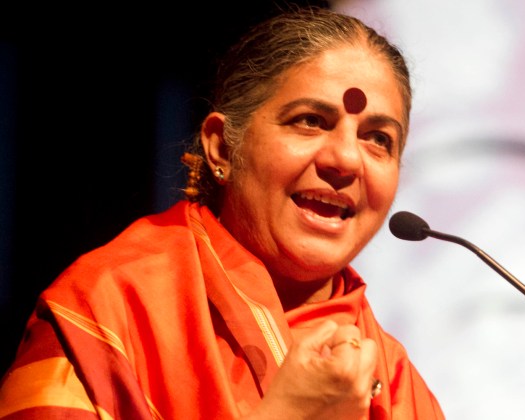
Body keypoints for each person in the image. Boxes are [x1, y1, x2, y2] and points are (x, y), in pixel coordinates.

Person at [0, 6, 444, 419]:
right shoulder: (109, 308)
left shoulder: (399, 385)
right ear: (221, 146)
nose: (346, 160)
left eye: (378, 139)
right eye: (309, 120)